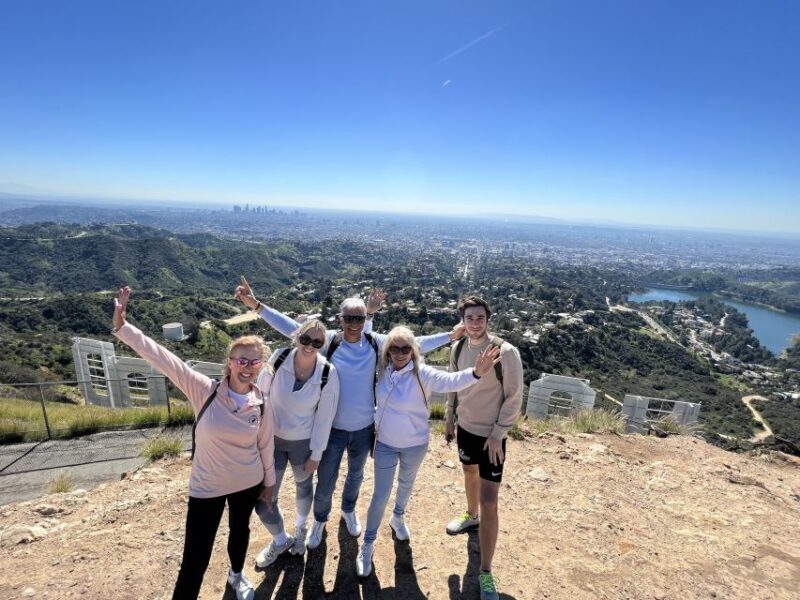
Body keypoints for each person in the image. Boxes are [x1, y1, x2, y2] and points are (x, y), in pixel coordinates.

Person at [235, 276, 463, 550]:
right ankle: (319, 520)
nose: (354, 324)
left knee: (356, 475)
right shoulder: (329, 341)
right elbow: (294, 329)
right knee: (326, 478)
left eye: (360, 318)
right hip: (331, 427)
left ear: (365, 319)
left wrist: (449, 336)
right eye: (349, 318)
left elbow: (414, 343)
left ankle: (348, 510)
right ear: (340, 319)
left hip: (364, 427)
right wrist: (257, 306)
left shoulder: (375, 343)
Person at [110, 287, 275, 600]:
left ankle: (236, 576)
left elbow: (265, 445)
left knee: (240, 533)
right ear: (230, 362)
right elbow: (166, 360)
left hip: (247, 481)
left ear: (261, 366)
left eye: (255, 362)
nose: (248, 366)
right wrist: (124, 328)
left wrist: (269, 483)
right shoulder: (205, 391)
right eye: (242, 360)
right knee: (195, 559)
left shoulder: (262, 401)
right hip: (207, 487)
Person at [355, 326, 501, 578]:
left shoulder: (422, 373)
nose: (400, 353)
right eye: (394, 348)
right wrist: (368, 315)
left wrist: (476, 373)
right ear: (387, 351)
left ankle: (398, 517)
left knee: (406, 484)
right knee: (380, 494)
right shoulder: (380, 371)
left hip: (415, 444)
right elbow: (364, 337)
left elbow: (451, 381)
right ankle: (367, 543)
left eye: (405, 348)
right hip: (386, 444)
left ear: (413, 351)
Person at [444, 296, 524, 600]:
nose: (475, 323)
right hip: (465, 427)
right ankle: (470, 515)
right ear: (463, 321)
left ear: (488, 319)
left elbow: (514, 396)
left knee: (491, 499)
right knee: (468, 472)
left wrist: (498, 434)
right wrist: (450, 419)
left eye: (479, 318)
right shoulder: (459, 348)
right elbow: (455, 385)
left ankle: (486, 571)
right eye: (469, 318)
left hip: (491, 435)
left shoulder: (505, 352)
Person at [253, 318, 340, 567]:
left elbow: (325, 416)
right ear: (297, 337)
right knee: (265, 498)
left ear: (322, 344)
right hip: (272, 441)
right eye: (305, 339)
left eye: (317, 341)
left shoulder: (327, 372)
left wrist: (317, 453)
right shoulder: (279, 359)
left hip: (303, 443)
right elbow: (260, 397)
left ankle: (300, 530)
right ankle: (281, 539)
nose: (310, 345)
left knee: (304, 488)